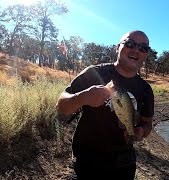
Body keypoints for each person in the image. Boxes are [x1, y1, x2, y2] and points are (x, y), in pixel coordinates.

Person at [55, 30, 154, 179]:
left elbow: (147, 123)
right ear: (118, 47)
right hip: (87, 163)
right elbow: (61, 106)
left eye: (143, 48)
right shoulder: (94, 73)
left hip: (124, 166)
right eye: (130, 44)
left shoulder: (146, 89)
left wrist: (140, 131)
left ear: (146, 54)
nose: (136, 50)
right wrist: (82, 97)